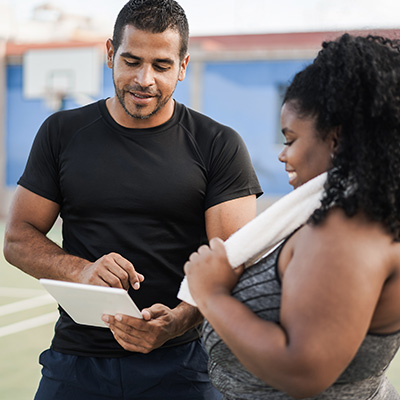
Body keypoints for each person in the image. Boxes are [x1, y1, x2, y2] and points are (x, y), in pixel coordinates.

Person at [3, 1, 262, 399]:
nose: (144, 79)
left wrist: (178, 320)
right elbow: (18, 238)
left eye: (161, 66)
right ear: (110, 53)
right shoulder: (61, 132)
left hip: (183, 362)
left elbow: (232, 263)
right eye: (131, 61)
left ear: (183, 65)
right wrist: (82, 271)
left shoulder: (218, 144)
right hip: (75, 363)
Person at [183, 33, 400, 399]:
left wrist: (213, 294)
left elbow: (304, 370)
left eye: (290, 139)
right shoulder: (351, 215)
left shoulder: (346, 231)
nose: (283, 156)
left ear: (337, 139)